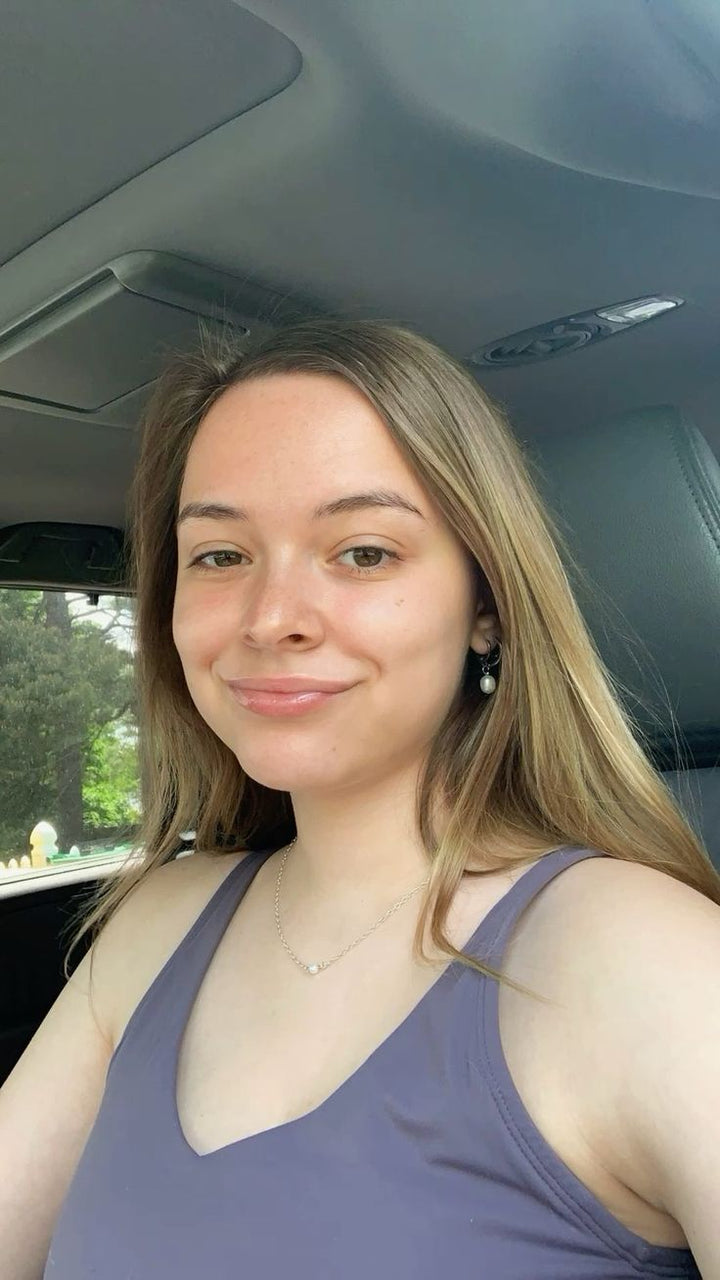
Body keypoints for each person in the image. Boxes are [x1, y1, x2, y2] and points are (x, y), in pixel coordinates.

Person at [2, 319, 718, 1279]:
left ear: (486, 606)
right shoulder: (152, 925)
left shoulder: (639, 957)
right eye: (220, 555)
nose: (270, 619)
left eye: (364, 553)